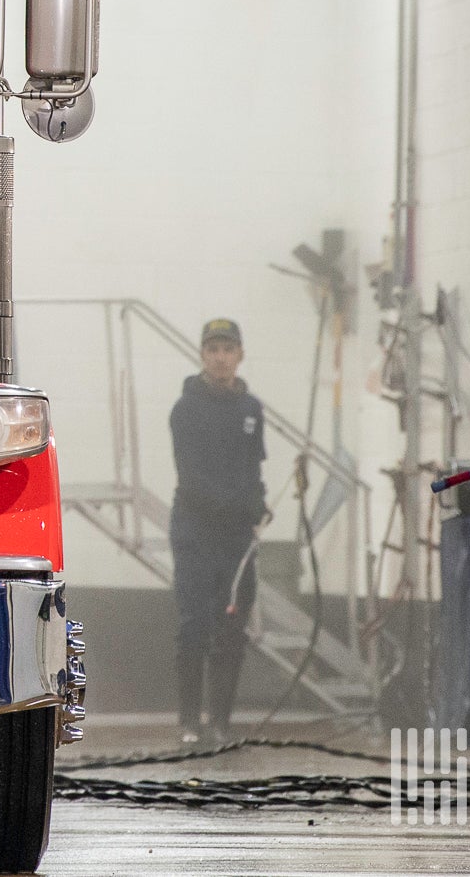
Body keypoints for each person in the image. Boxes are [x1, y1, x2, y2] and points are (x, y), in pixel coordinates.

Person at [168, 317, 267, 745]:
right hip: (196, 532)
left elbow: (253, 469)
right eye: (213, 349)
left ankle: (221, 721)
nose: (221, 357)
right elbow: (190, 476)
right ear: (203, 356)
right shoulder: (185, 409)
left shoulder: (251, 410)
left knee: (232, 626)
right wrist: (234, 506)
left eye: (228, 349)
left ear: (239, 355)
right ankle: (189, 720)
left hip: (237, 539)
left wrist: (258, 504)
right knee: (194, 624)